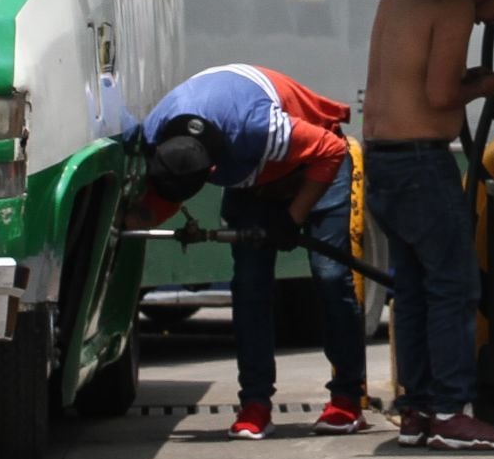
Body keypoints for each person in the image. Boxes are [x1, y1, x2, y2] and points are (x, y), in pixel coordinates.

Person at [361, 0, 494, 451]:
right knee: (454, 287)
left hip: (382, 157)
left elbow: (412, 79)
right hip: (420, 162)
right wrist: (481, 86)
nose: (487, 26)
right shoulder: (457, 3)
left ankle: (416, 408)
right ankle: (450, 411)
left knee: (414, 288)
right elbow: (439, 97)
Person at [130, 64, 368, 439]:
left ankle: (347, 401)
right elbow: (159, 196)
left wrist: (292, 219)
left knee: (330, 277)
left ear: (212, 168)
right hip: (256, 176)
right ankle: (255, 405)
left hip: (315, 163)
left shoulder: (260, 128)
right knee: (250, 286)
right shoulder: (156, 131)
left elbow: (331, 150)